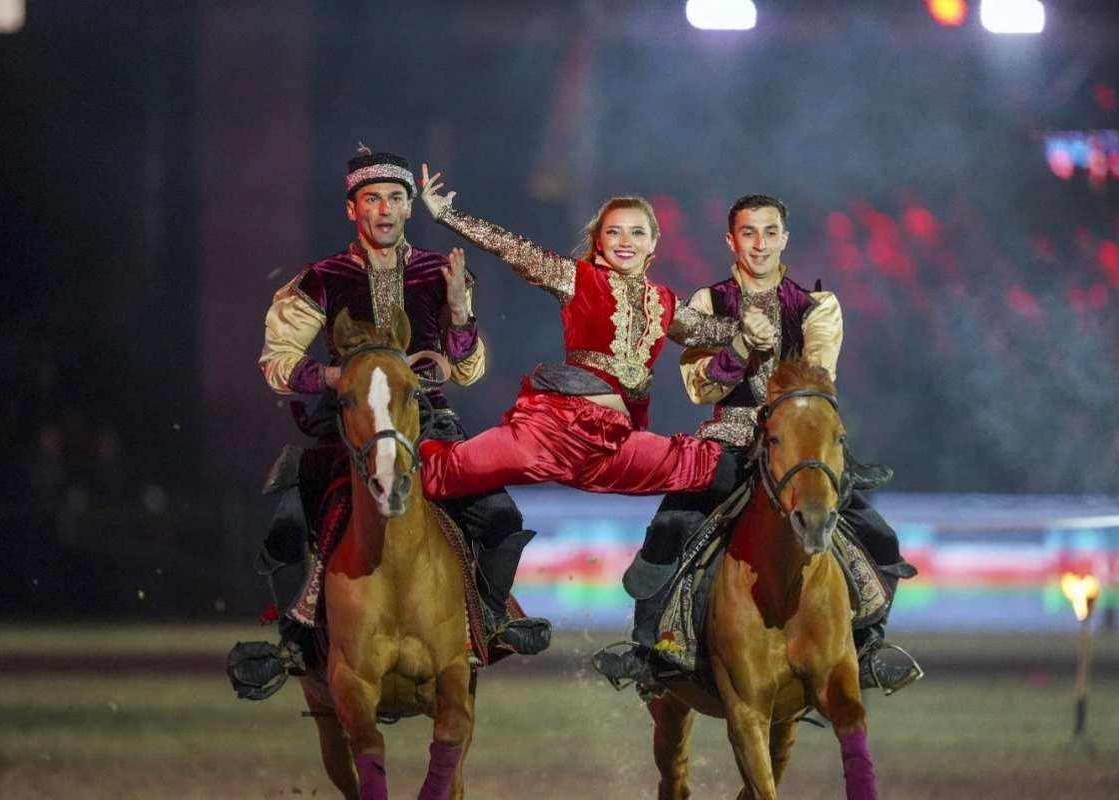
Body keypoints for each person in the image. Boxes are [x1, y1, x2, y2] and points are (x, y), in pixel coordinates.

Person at [595, 194, 923, 695]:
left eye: (770, 232)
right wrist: (742, 348)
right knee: (672, 522)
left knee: (875, 531)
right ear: (731, 240)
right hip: (729, 437)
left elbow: (818, 376)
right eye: (749, 232)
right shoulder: (708, 304)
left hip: (796, 442)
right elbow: (699, 387)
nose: (760, 243)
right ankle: (648, 650)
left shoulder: (816, 307)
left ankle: (870, 645)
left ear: (785, 239)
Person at [256, 147, 550, 659]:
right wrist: (331, 374)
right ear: (353, 209)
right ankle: (294, 647)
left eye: (396, 198)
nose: (385, 210)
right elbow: (276, 361)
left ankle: (492, 618)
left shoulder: (442, 272)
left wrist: (458, 317)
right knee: (285, 526)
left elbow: (469, 369)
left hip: (429, 425)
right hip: (350, 428)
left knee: (500, 516)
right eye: (373, 200)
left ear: (410, 207)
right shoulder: (320, 279)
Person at [416, 165, 737, 503]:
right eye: (615, 232)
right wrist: (447, 215)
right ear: (599, 240)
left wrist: (767, 324)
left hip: (615, 445)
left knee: (710, 465)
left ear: (654, 241)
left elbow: (714, 332)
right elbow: (513, 247)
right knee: (442, 470)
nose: (626, 241)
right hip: (553, 433)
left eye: (637, 232)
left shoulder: (665, 302)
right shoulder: (578, 278)